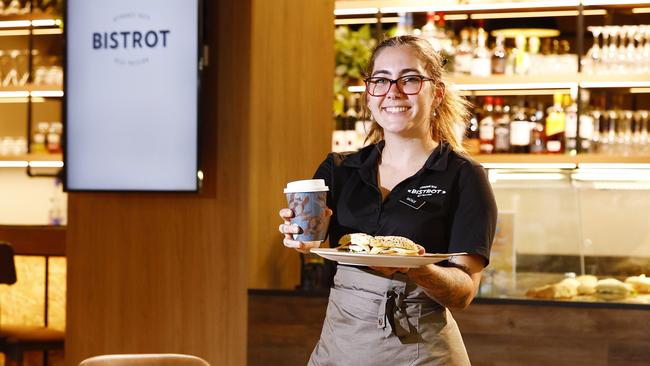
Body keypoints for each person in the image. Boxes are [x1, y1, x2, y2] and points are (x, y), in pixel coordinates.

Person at [278, 35, 497, 365]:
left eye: (409, 79)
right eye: (380, 80)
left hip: (421, 350)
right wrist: (302, 235)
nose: (393, 92)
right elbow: (316, 239)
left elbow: (464, 291)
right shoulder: (339, 170)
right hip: (341, 346)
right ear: (369, 94)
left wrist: (415, 270)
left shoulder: (464, 176)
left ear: (435, 93)